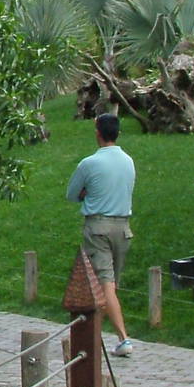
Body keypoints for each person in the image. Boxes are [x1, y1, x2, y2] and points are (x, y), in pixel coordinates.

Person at [64, 112, 135, 357]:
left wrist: (87, 194)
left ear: (98, 133)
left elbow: (72, 194)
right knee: (110, 284)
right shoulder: (129, 161)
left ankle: (123, 339)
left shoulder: (89, 163)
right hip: (123, 227)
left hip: (98, 228)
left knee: (105, 286)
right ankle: (92, 337)